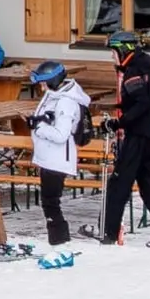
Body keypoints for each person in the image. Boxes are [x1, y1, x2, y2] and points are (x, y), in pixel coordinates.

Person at [98, 32, 150, 246]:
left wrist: (119, 122)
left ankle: (108, 233)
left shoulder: (134, 71)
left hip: (138, 137)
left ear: (123, 50)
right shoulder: (145, 68)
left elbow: (142, 104)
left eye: (113, 52)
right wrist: (119, 111)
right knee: (149, 187)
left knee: (119, 184)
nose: (112, 58)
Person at [25, 60, 90, 245]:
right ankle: (57, 238)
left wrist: (38, 128)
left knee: (51, 202)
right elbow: (48, 118)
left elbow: (61, 134)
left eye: (44, 83)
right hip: (48, 156)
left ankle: (59, 239)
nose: (42, 88)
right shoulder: (54, 95)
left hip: (58, 158)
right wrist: (38, 120)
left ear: (53, 81)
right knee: (49, 201)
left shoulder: (66, 102)